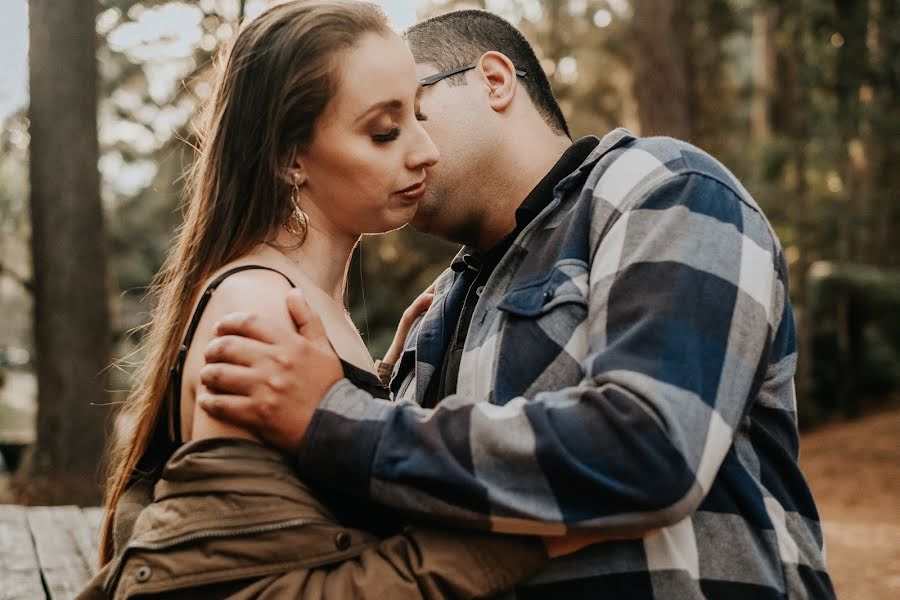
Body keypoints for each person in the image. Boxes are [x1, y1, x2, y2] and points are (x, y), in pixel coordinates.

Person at [197, 9, 837, 599]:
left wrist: (337, 420)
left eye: (413, 113)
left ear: (495, 80)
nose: (412, 149)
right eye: (384, 129)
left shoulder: (659, 188)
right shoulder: (437, 313)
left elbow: (652, 447)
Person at [82, 3, 591, 598]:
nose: (425, 151)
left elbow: (300, 527)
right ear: (288, 158)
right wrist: (525, 542)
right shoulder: (261, 313)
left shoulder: (311, 308)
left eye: (420, 118)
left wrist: (381, 384)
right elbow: (239, 590)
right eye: (385, 131)